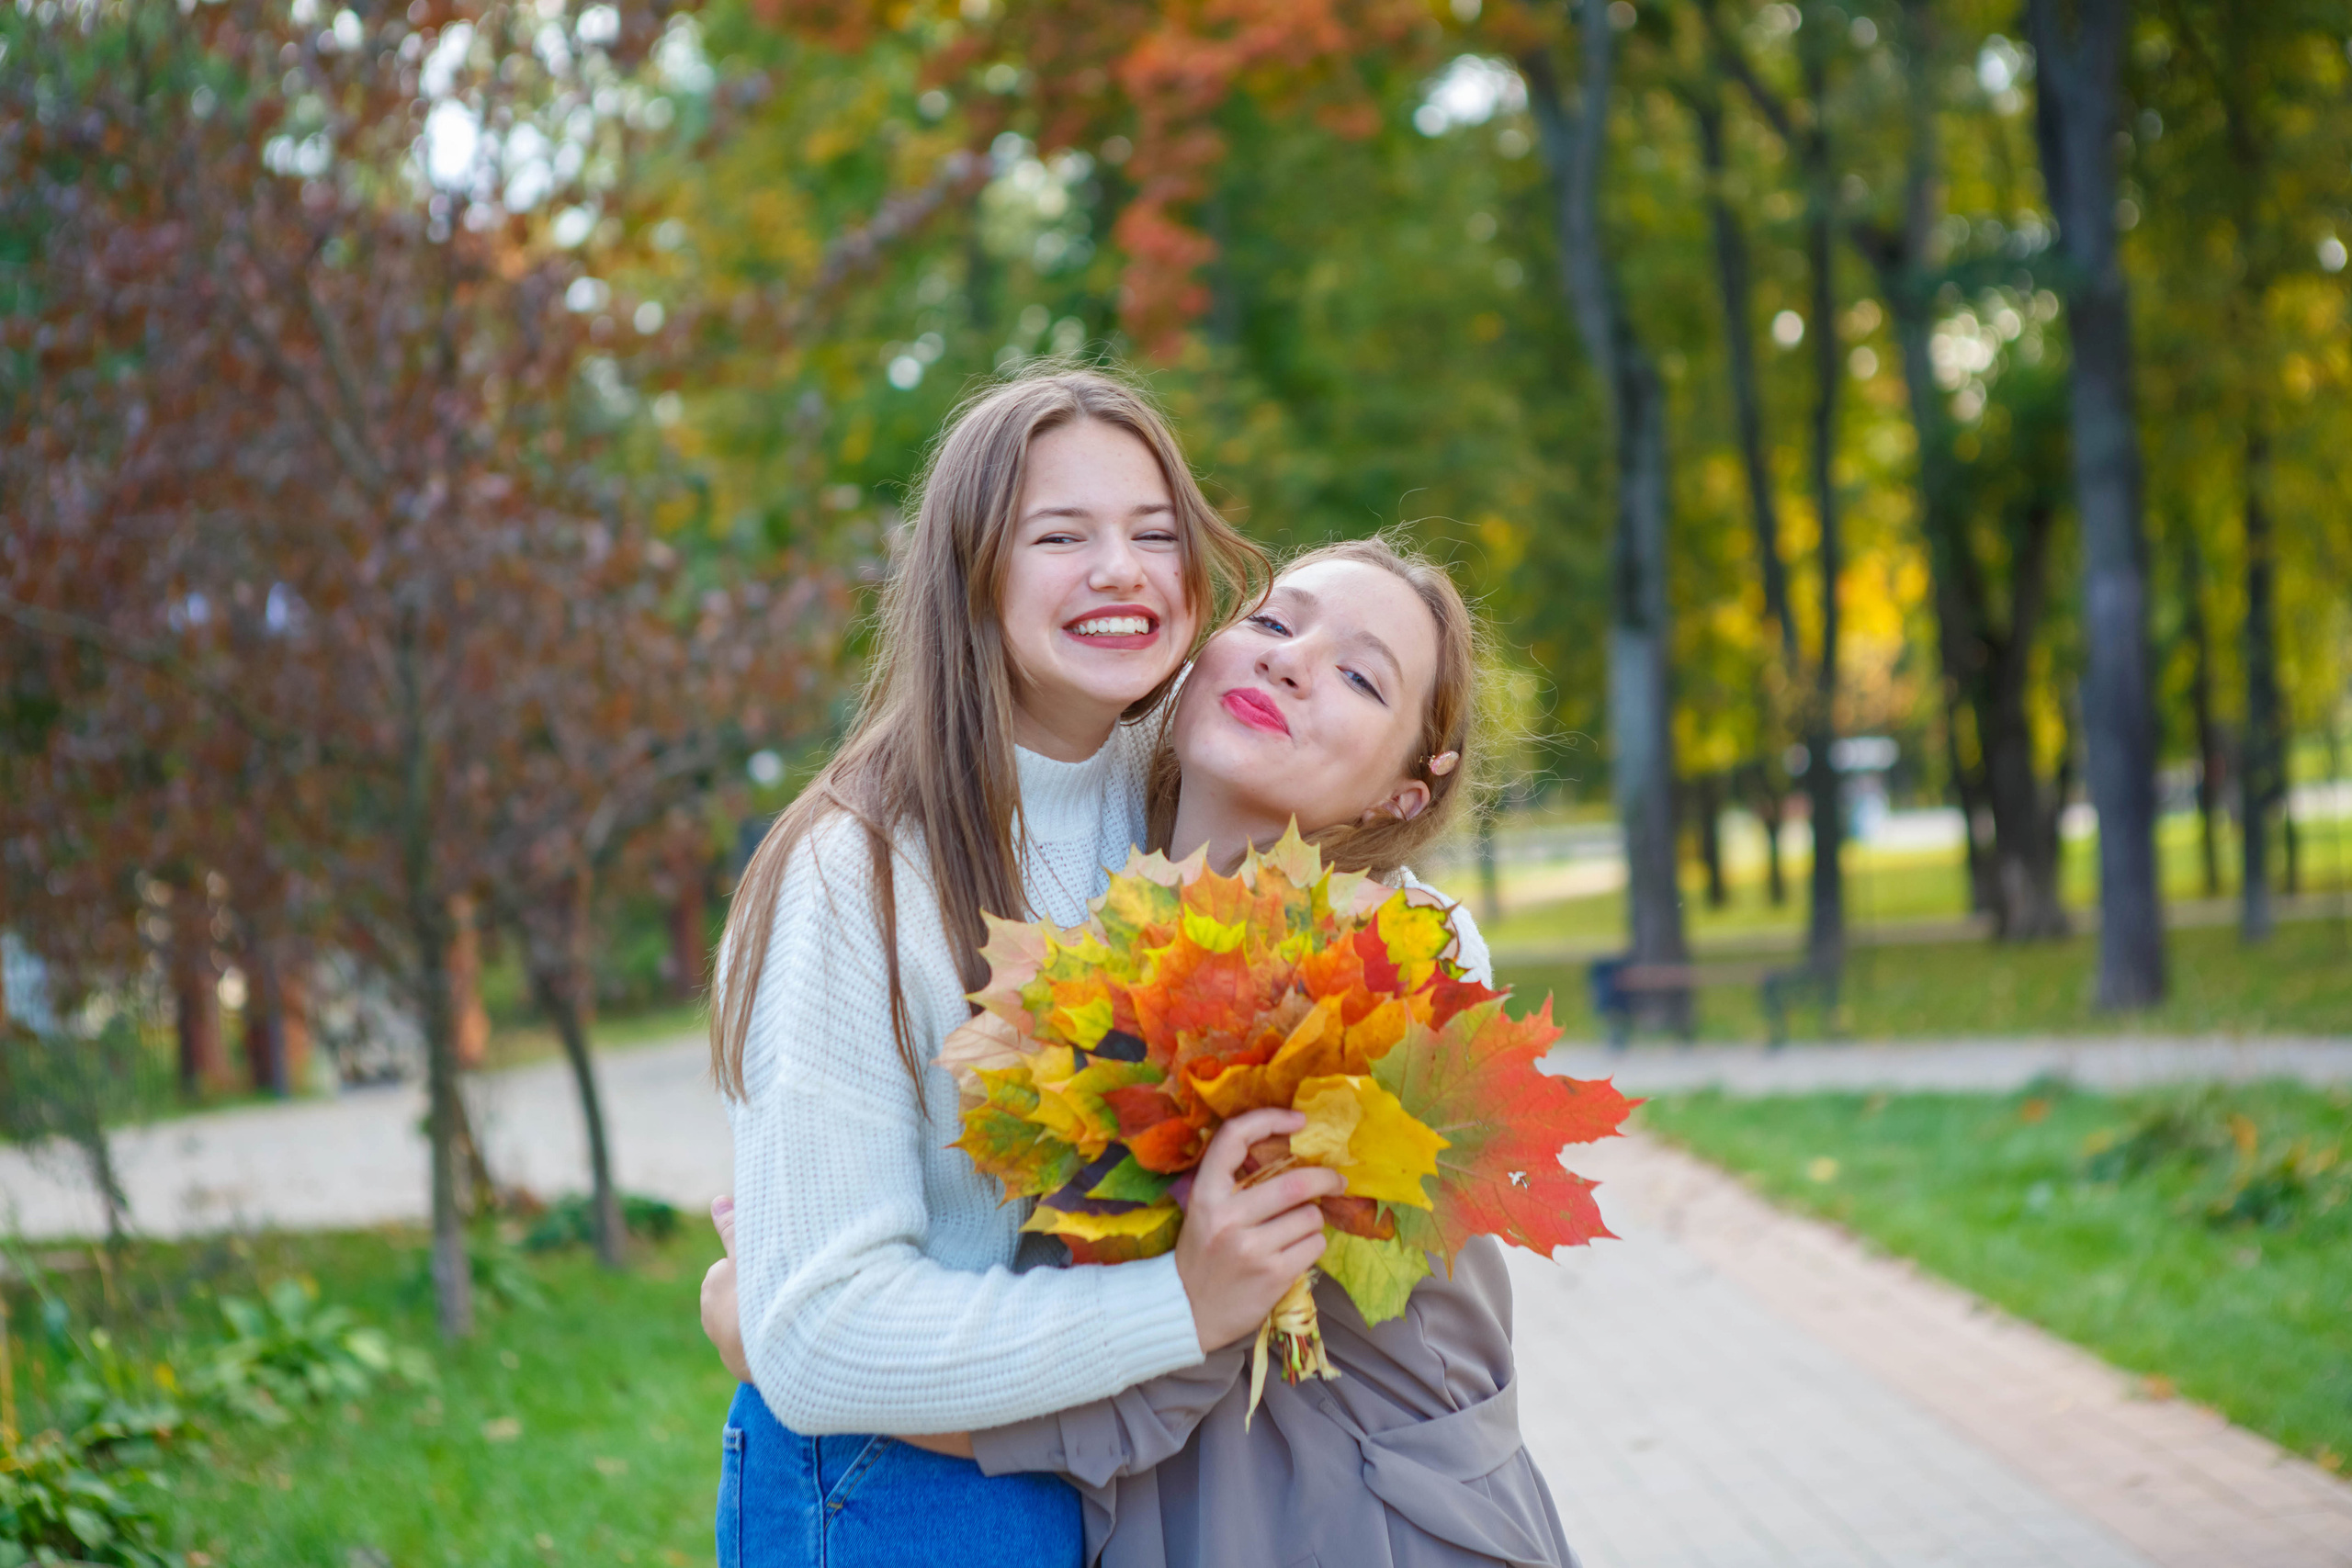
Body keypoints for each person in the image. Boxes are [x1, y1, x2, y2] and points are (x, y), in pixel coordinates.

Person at [707, 537, 1577, 1568]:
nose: (1292, 661)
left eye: (1357, 676)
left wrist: (786, 1344)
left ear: (1407, 792)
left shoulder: (1346, 1002)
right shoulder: (1114, 953)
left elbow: (1136, 1392)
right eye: (1271, 621)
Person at [709, 367, 1345, 1568]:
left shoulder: (1170, 777)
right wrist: (1183, 1306)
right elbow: (818, 1333)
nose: (1123, 568)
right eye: (1062, 534)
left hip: (1108, 1459)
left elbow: (1410, 925)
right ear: (971, 573)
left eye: (1156, 532)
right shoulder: (855, 869)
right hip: (900, 1488)